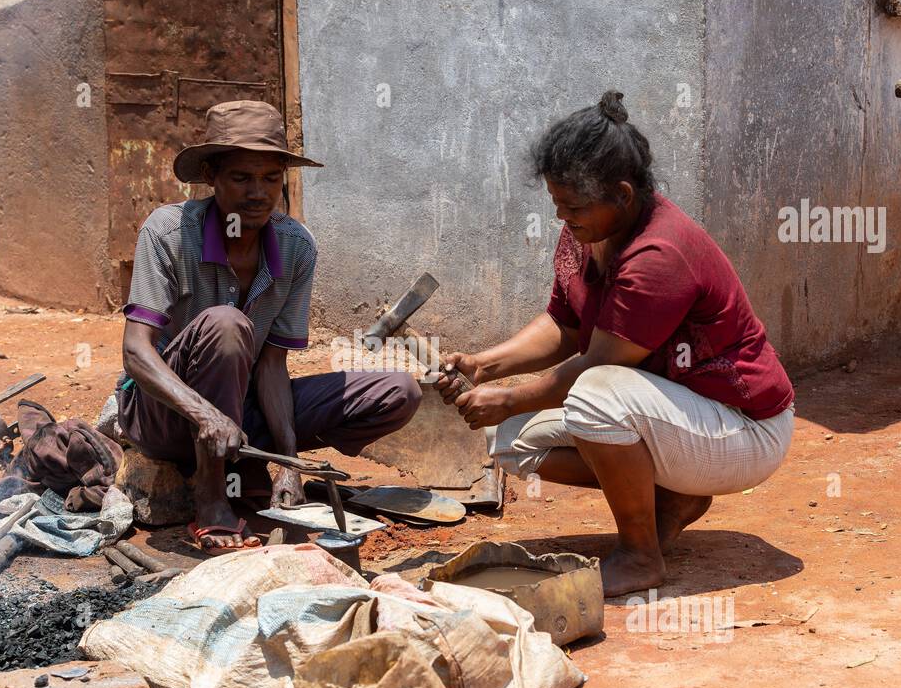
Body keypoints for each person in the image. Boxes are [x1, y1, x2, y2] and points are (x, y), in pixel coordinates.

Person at [437, 91, 794, 596]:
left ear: (623, 195)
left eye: (574, 206)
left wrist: (511, 397)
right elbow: (563, 324)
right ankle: (673, 500)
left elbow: (600, 363)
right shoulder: (587, 232)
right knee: (510, 440)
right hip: (679, 419)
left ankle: (640, 556)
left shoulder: (659, 252)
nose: (563, 218)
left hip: (744, 428)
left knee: (595, 396)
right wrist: (484, 365)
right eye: (557, 205)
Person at [118, 100, 421, 554]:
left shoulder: (295, 246)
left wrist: (290, 461)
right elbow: (136, 352)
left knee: (400, 392)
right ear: (212, 177)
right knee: (226, 324)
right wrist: (204, 414)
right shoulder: (168, 232)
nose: (257, 192)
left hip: (242, 416)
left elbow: (272, 364)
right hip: (165, 418)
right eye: (241, 178)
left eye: (270, 178)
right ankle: (212, 498)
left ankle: (258, 466)